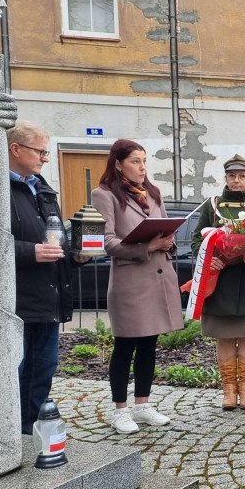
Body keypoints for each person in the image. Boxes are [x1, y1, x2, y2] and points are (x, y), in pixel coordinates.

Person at [91, 139, 183, 434]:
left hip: (159, 278)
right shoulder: (103, 194)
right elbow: (106, 242)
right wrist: (147, 245)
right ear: (118, 164)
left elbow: (167, 229)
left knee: (149, 345)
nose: (142, 167)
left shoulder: (153, 193)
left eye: (144, 161)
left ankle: (142, 405)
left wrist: (168, 242)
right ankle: (120, 411)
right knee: (125, 346)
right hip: (130, 282)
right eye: (135, 161)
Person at [8, 122, 88, 434]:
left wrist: (75, 257)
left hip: (49, 298)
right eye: (40, 151)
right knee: (17, 370)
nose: (45, 158)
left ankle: (32, 428)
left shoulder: (42, 189)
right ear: (16, 150)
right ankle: (11, 432)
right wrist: (30, 252)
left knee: (44, 368)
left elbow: (55, 241)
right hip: (17, 301)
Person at [191, 155, 245, 411]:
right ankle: (229, 391)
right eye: (232, 176)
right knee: (225, 338)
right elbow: (197, 241)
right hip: (221, 284)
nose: (237, 181)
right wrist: (208, 260)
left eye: (242, 176)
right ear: (225, 178)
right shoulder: (212, 205)